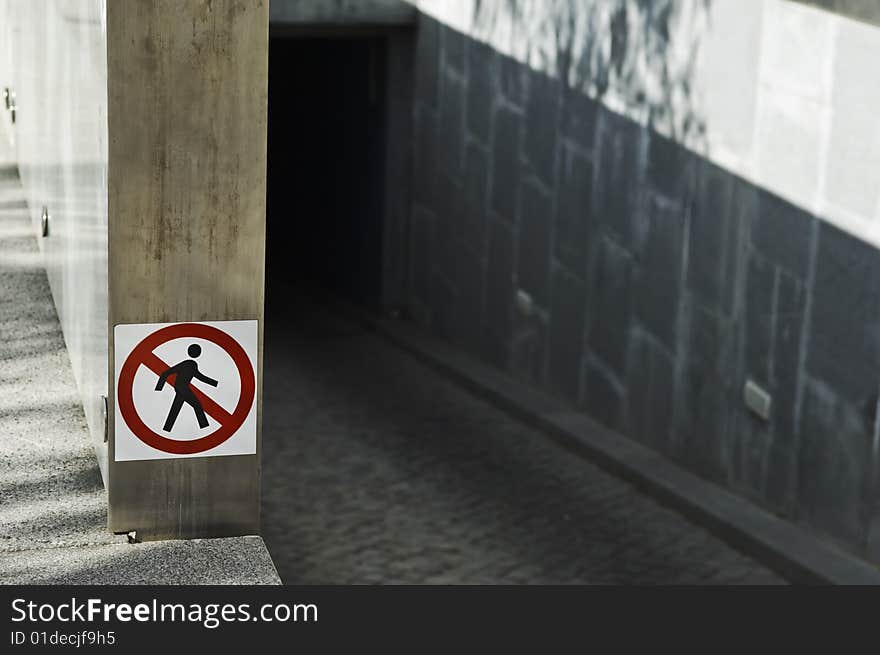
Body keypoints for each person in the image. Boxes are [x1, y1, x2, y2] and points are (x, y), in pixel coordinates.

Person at [154, 343, 218, 431]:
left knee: (175, 408)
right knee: (197, 405)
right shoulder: (189, 364)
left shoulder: (191, 364)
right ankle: (205, 427)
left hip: (180, 388)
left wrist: (215, 383)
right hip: (182, 388)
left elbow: (199, 377)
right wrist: (158, 389)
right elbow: (165, 373)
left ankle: (166, 429)